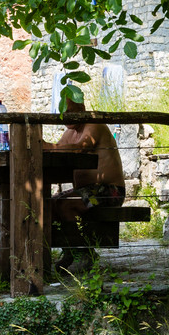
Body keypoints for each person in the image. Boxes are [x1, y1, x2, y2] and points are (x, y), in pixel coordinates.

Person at [49, 87, 125, 276]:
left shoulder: (93, 124)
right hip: (87, 191)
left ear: (81, 107)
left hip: (109, 191)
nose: (66, 116)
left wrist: (46, 146)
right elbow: (60, 149)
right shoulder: (70, 132)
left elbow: (79, 148)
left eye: (70, 111)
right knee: (50, 204)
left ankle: (85, 254)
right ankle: (69, 251)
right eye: (62, 112)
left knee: (66, 205)